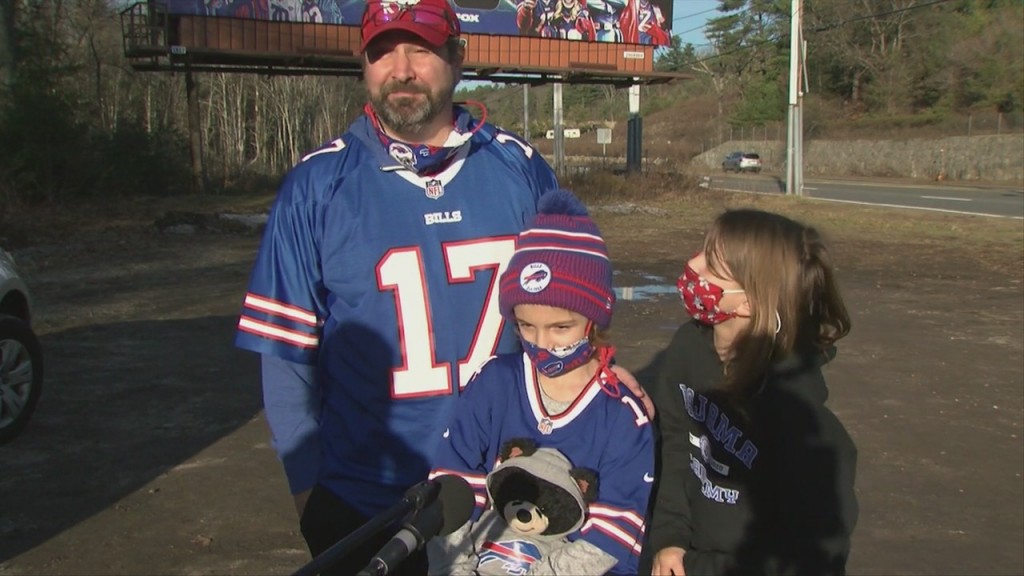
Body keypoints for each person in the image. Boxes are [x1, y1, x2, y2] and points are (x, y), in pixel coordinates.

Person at [234, 1, 652, 574]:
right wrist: (309, 497)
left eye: (421, 50)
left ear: (458, 57)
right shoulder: (316, 186)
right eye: (383, 52)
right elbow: (287, 360)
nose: (401, 69)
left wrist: (598, 367)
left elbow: (569, 301)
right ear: (363, 63)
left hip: (503, 498)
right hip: (366, 499)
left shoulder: (518, 169)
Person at [428, 189, 655, 575]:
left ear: (594, 320)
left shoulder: (622, 417)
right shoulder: (493, 384)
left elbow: (611, 537)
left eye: (561, 328)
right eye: (525, 326)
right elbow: (451, 490)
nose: (542, 343)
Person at [645, 209, 858, 575]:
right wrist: (670, 538)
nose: (693, 265)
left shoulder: (794, 416)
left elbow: (812, 552)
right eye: (702, 251)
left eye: (712, 265)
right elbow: (677, 443)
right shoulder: (687, 348)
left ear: (748, 302)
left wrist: (699, 567)